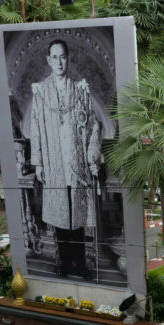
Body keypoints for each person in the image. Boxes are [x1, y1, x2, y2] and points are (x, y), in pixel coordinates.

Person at [28, 39, 102, 278]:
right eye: (55, 57)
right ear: (48, 60)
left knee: (77, 216)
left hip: (76, 162)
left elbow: (92, 125)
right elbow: (36, 128)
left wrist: (92, 159)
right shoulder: (40, 91)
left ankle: (80, 265)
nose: (59, 62)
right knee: (60, 216)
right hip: (53, 162)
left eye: (63, 57)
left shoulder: (80, 89)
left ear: (68, 59)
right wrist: (38, 162)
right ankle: (64, 263)